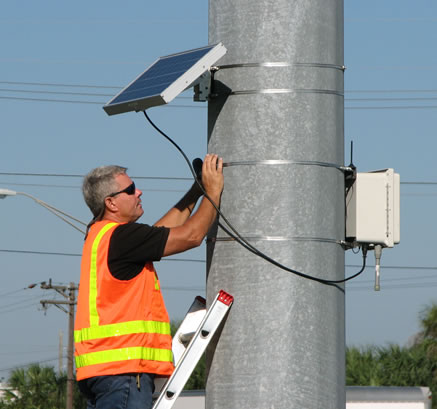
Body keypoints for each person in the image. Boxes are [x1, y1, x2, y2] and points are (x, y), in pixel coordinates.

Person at [74, 154, 224, 409]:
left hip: (104, 372)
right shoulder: (121, 238)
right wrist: (213, 191)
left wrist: (194, 193)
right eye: (130, 190)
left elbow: (160, 234)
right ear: (111, 203)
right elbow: (191, 236)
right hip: (122, 371)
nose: (139, 192)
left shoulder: (102, 235)